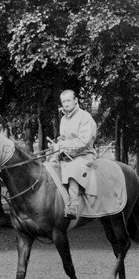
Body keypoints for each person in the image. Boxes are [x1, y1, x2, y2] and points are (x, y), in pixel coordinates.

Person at [50, 90, 97, 219]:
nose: (65, 104)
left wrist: (63, 146)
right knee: (50, 165)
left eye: (68, 100)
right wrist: (57, 145)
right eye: (63, 101)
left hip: (84, 154)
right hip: (67, 153)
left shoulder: (85, 117)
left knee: (72, 169)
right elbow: (62, 138)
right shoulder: (64, 119)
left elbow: (83, 141)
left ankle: (73, 205)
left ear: (75, 100)